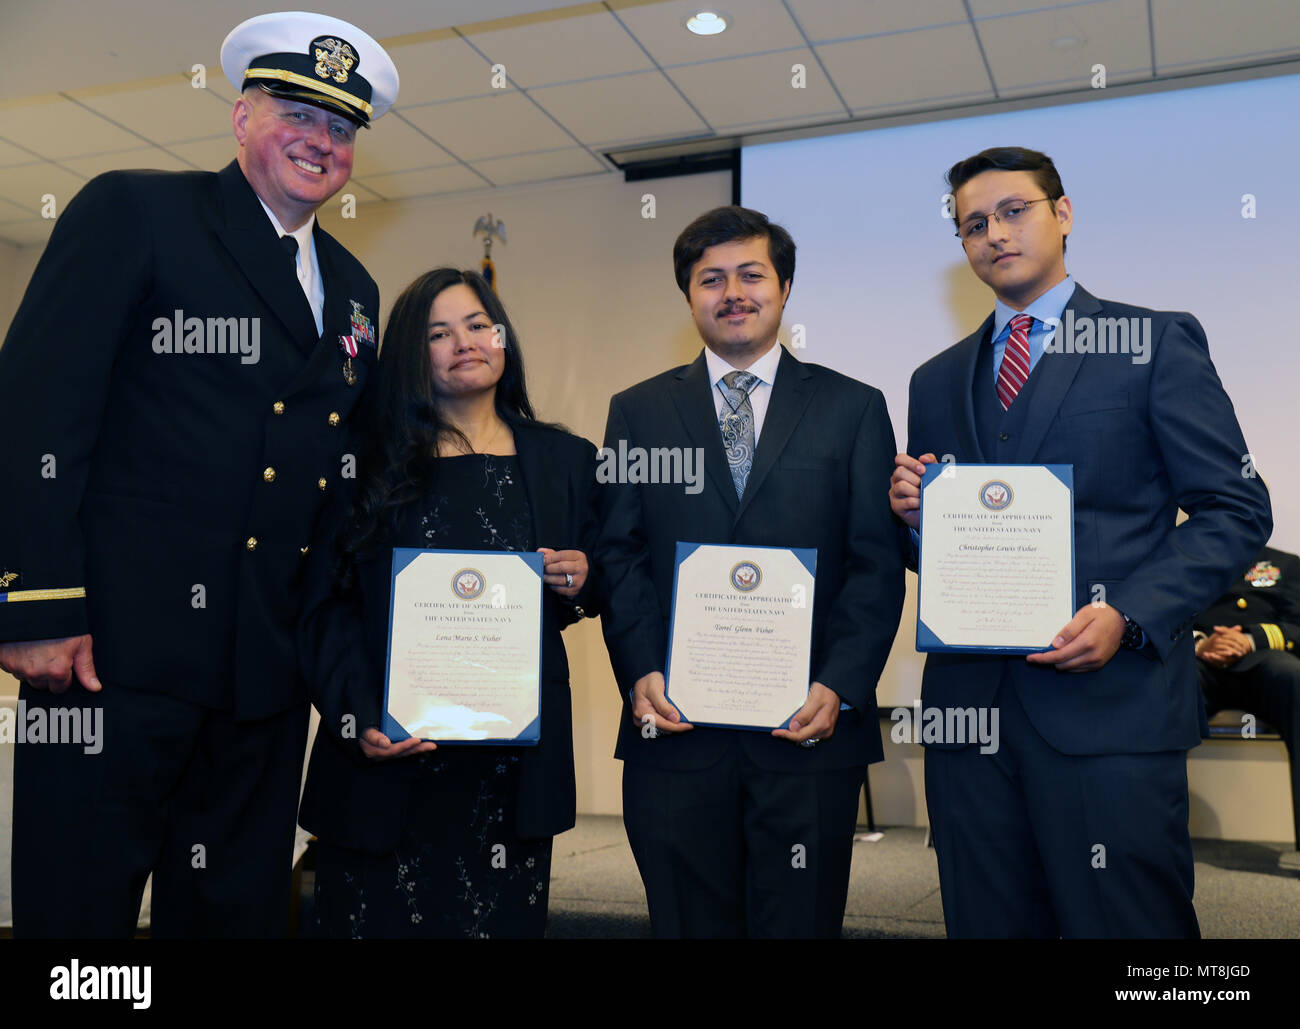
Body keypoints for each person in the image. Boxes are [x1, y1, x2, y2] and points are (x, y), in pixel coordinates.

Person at [0, 12, 398, 938]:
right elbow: (35, 413)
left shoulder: (355, 291)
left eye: (341, 128)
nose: (320, 140)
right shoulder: (136, 210)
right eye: (296, 111)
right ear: (242, 116)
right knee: (79, 912)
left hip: (261, 675)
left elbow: (338, 485)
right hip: (106, 662)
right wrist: (36, 606)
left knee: (230, 915)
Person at [889, 146, 1272, 938]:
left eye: (1014, 210)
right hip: (971, 720)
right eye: (973, 224)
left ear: (1063, 215)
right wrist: (919, 521)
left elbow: (1234, 506)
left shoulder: (1155, 342)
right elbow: (954, 556)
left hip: (1112, 711)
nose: (994, 233)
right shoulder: (934, 379)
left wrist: (1128, 613)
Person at [597, 206, 905, 938]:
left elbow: (875, 560)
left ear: (785, 285)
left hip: (807, 729)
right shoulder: (637, 411)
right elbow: (618, 550)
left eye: (750, 274)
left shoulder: (854, 408)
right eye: (710, 279)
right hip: (675, 730)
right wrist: (639, 668)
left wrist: (840, 683)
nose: (731, 292)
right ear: (688, 296)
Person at [297, 268, 600, 939]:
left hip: (510, 779)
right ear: (411, 352)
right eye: (438, 333)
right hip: (388, 762)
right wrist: (357, 716)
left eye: (477, 324)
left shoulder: (569, 460)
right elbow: (322, 607)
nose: (464, 342)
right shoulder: (363, 463)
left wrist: (585, 577)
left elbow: (609, 571)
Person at [1195, 545, 1300, 850]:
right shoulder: (1187, 558)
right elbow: (1168, 616)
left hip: (1264, 662)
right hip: (1200, 661)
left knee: (1296, 679)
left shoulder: (1287, 564)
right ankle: (1150, 840)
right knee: (1166, 688)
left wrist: (1250, 639)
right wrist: (1200, 643)